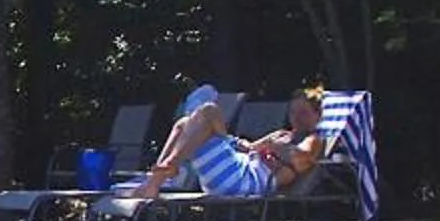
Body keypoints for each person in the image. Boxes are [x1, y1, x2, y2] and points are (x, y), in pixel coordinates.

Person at [117, 83, 325, 203]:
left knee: (209, 110)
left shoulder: (313, 139)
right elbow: (251, 148)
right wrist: (245, 144)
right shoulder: (282, 133)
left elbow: (301, 159)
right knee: (184, 123)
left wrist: (272, 147)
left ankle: (169, 167)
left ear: (317, 116)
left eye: (303, 113)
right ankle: (155, 182)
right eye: (293, 112)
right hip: (232, 172)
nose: (296, 117)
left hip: (242, 182)